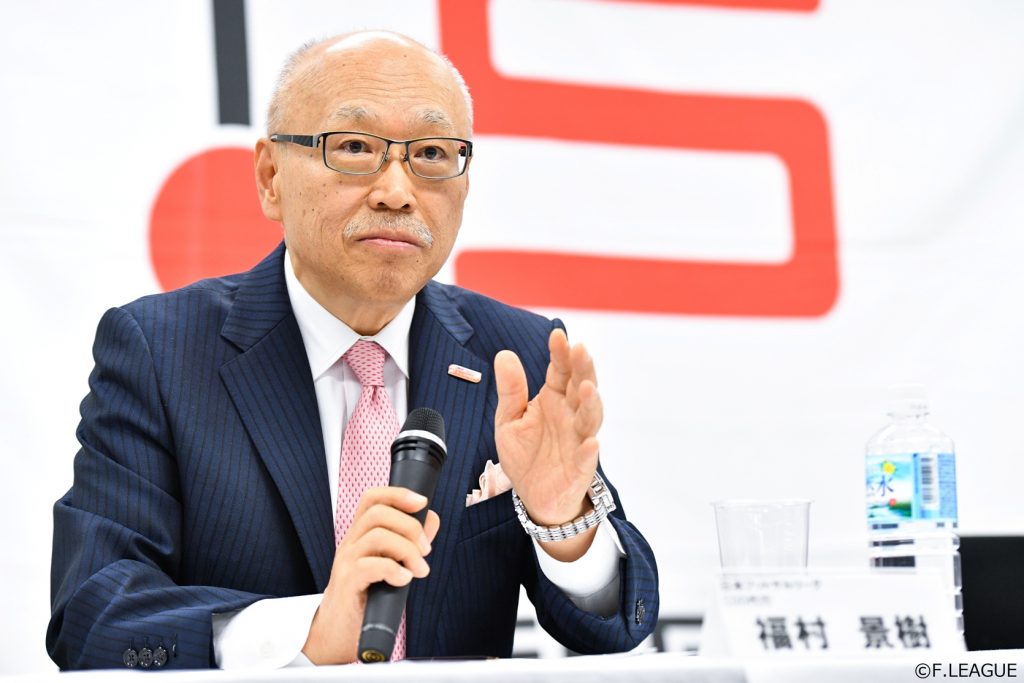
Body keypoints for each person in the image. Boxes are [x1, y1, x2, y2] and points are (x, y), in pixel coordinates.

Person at [47, 31, 659, 670]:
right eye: (355, 148)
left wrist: (563, 523)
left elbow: (615, 626)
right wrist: (304, 634)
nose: (397, 191)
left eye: (431, 153)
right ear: (271, 177)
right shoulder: (160, 352)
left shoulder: (515, 357)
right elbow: (94, 616)